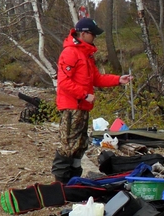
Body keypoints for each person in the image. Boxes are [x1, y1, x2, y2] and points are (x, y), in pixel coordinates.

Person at [52, 18, 132, 183]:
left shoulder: (86, 55)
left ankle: (74, 180)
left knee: (80, 145)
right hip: (72, 107)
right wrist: (84, 95)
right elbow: (63, 82)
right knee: (67, 145)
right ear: (83, 34)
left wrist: (118, 80)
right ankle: (60, 182)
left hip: (82, 107)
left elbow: (97, 78)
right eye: (93, 34)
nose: (95, 37)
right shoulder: (70, 53)